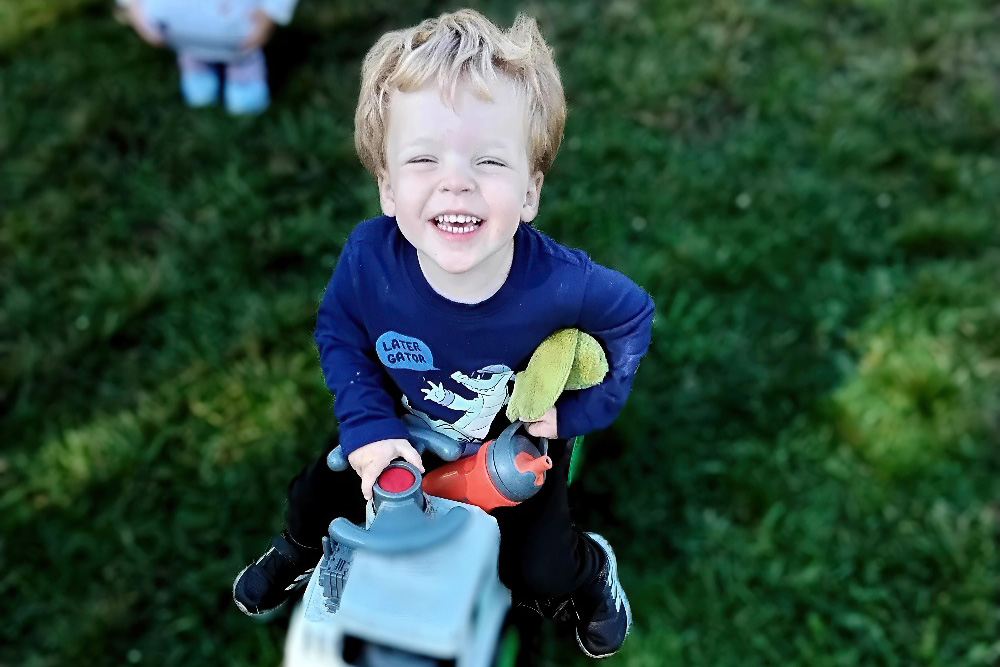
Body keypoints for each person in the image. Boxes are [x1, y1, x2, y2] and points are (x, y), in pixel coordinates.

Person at [232, 8, 654, 659]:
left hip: (509, 435)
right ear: (388, 187)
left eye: (487, 159)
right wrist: (370, 427)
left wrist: (574, 414)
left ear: (530, 190)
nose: (455, 179)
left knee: (535, 570)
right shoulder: (371, 260)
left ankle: (590, 571)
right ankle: (295, 552)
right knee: (318, 495)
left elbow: (632, 317)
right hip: (401, 417)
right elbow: (339, 331)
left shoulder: (561, 283)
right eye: (424, 157)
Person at [116, 0, 298, 114]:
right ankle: (198, 72)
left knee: (245, 102)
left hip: (239, 46)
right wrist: (136, 12)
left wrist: (270, 13)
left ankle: (243, 82)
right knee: (197, 85)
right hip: (183, 41)